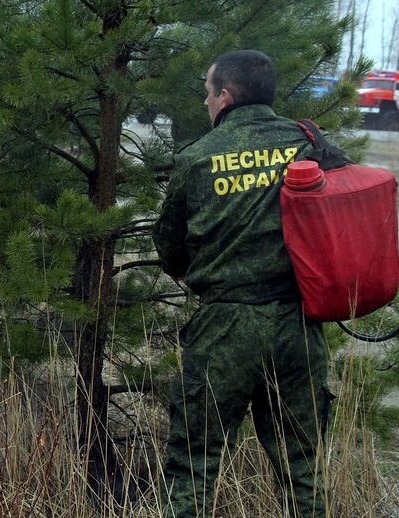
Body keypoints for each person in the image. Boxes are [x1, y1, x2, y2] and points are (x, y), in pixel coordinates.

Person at [153, 50, 337, 517]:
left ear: (226, 97)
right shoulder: (309, 144)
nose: (206, 103)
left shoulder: (197, 159)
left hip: (225, 329)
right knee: (302, 468)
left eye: (208, 93)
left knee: (195, 464)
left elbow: (170, 249)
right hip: (298, 326)